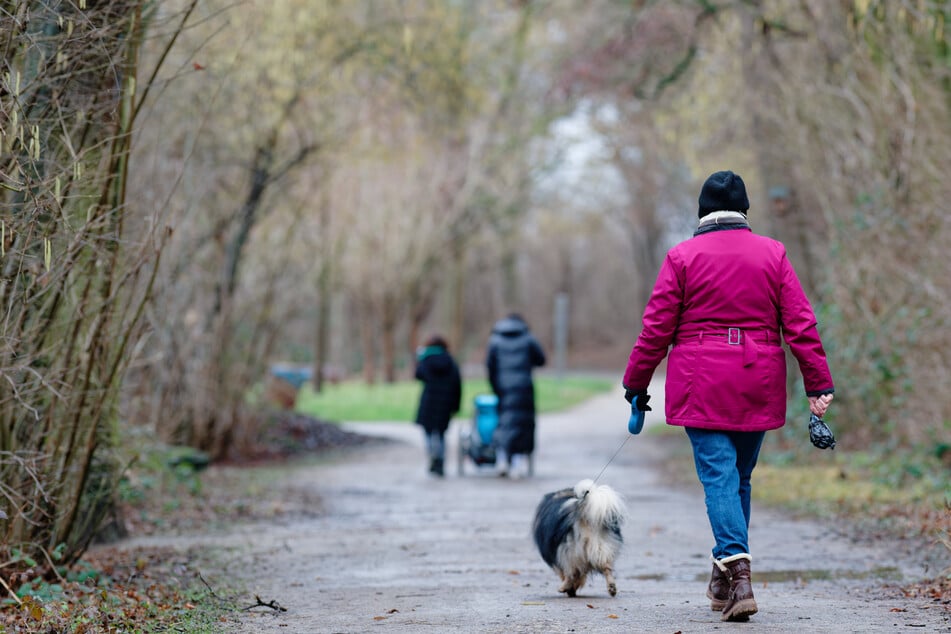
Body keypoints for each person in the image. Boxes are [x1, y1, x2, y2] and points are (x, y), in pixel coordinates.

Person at [621, 170, 834, 622]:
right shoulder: (773, 253)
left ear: (702, 212)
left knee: (720, 477)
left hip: (700, 381)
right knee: (737, 478)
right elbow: (800, 322)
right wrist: (818, 383)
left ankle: (738, 575)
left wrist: (636, 382)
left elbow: (656, 329)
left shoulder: (682, 257)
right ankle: (723, 578)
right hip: (758, 378)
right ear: (744, 211)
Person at [486, 313, 546, 478]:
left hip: (503, 388)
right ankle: (517, 464)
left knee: (504, 422)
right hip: (524, 388)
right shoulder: (528, 338)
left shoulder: (495, 340)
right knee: (522, 424)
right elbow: (541, 359)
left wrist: (495, 386)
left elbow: (490, 366)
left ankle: (502, 459)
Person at [414, 334, 462, 477]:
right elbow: (457, 384)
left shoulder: (426, 360)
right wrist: (456, 405)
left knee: (428, 431)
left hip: (429, 401)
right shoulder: (450, 361)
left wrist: (419, 358)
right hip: (446, 402)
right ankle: (440, 459)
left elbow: (418, 375)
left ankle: (433, 456)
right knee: (441, 433)